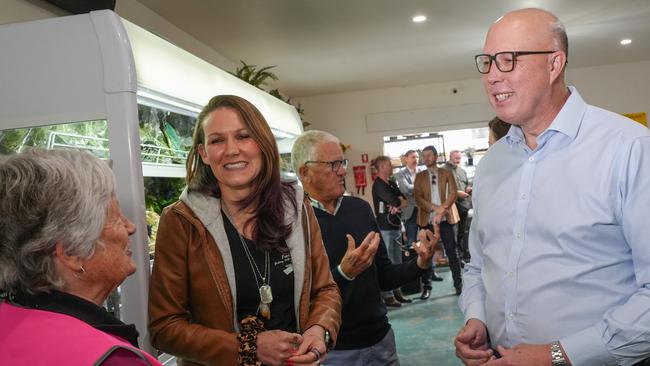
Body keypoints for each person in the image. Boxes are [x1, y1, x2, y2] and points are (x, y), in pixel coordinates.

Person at [457, 8, 650, 366]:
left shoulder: (630, 149)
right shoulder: (490, 165)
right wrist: (476, 318)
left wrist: (561, 355)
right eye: (487, 62)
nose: (492, 77)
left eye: (509, 60)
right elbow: (478, 266)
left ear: (554, 64)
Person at [148, 95, 341, 366]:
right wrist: (247, 347)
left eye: (243, 136)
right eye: (217, 140)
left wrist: (318, 330)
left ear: (262, 144)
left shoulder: (297, 208)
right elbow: (164, 327)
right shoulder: (182, 221)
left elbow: (325, 289)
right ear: (204, 153)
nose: (231, 150)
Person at [0, 149, 162, 365]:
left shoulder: (11, 321)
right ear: (71, 252)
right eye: (115, 218)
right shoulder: (114, 360)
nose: (130, 227)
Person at [291, 130, 438, 365]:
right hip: (334, 351)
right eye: (333, 164)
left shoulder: (359, 208)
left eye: (343, 162)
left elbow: (384, 275)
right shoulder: (291, 223)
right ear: (304, 172)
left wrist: (420, 263)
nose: (342, 171)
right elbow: (296, 300)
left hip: (381, 340)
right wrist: (343, 274)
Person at [414, 145, 462, 297]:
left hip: (447, 219)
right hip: (427, 220)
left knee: (452, 253)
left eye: (429, 155)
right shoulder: (419, 176)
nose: (426, 158)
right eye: (424, 155)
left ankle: (458, 285)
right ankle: (427, 288)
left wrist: (443, 209)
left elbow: (453, 193)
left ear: (435, 157)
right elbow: (418, 198)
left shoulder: (446, 173)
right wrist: (436, 208)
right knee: (426, 253)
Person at [396, 149, 443, 299]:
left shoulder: (423, 171)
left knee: (428, 244)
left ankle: (429, 278)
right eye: (412, 157)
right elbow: (405, 189)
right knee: (412, 244)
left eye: (417, 157)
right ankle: (415, 277)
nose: (415, 159)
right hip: (410, 215)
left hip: (424, 213)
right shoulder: (400, 174)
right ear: (405, 159)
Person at [371, 155, 411, 307]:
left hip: (395, 226)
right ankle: (387, 295)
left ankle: (397, 292)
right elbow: (396, 201)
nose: (392, 166)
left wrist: (398, 204)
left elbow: (405, 201)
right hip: (385, 228)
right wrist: (397, 203)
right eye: (389, 164)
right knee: (387, 262)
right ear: (381, 167)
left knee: (397, 260)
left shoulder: (392, 183)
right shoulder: (378, 185)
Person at [442, 150, 472, 261]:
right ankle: (456, 259)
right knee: (452, 235)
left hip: (464, 206)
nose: (458, 161)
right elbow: (442, 189)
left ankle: (462, 257)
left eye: (459, 159)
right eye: (456, 158)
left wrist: (468, 188)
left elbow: (466, 183)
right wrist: (457, 193)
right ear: (450, 156)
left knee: (461, 233)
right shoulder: (442, 170)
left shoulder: (462, 171)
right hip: (451, 208)